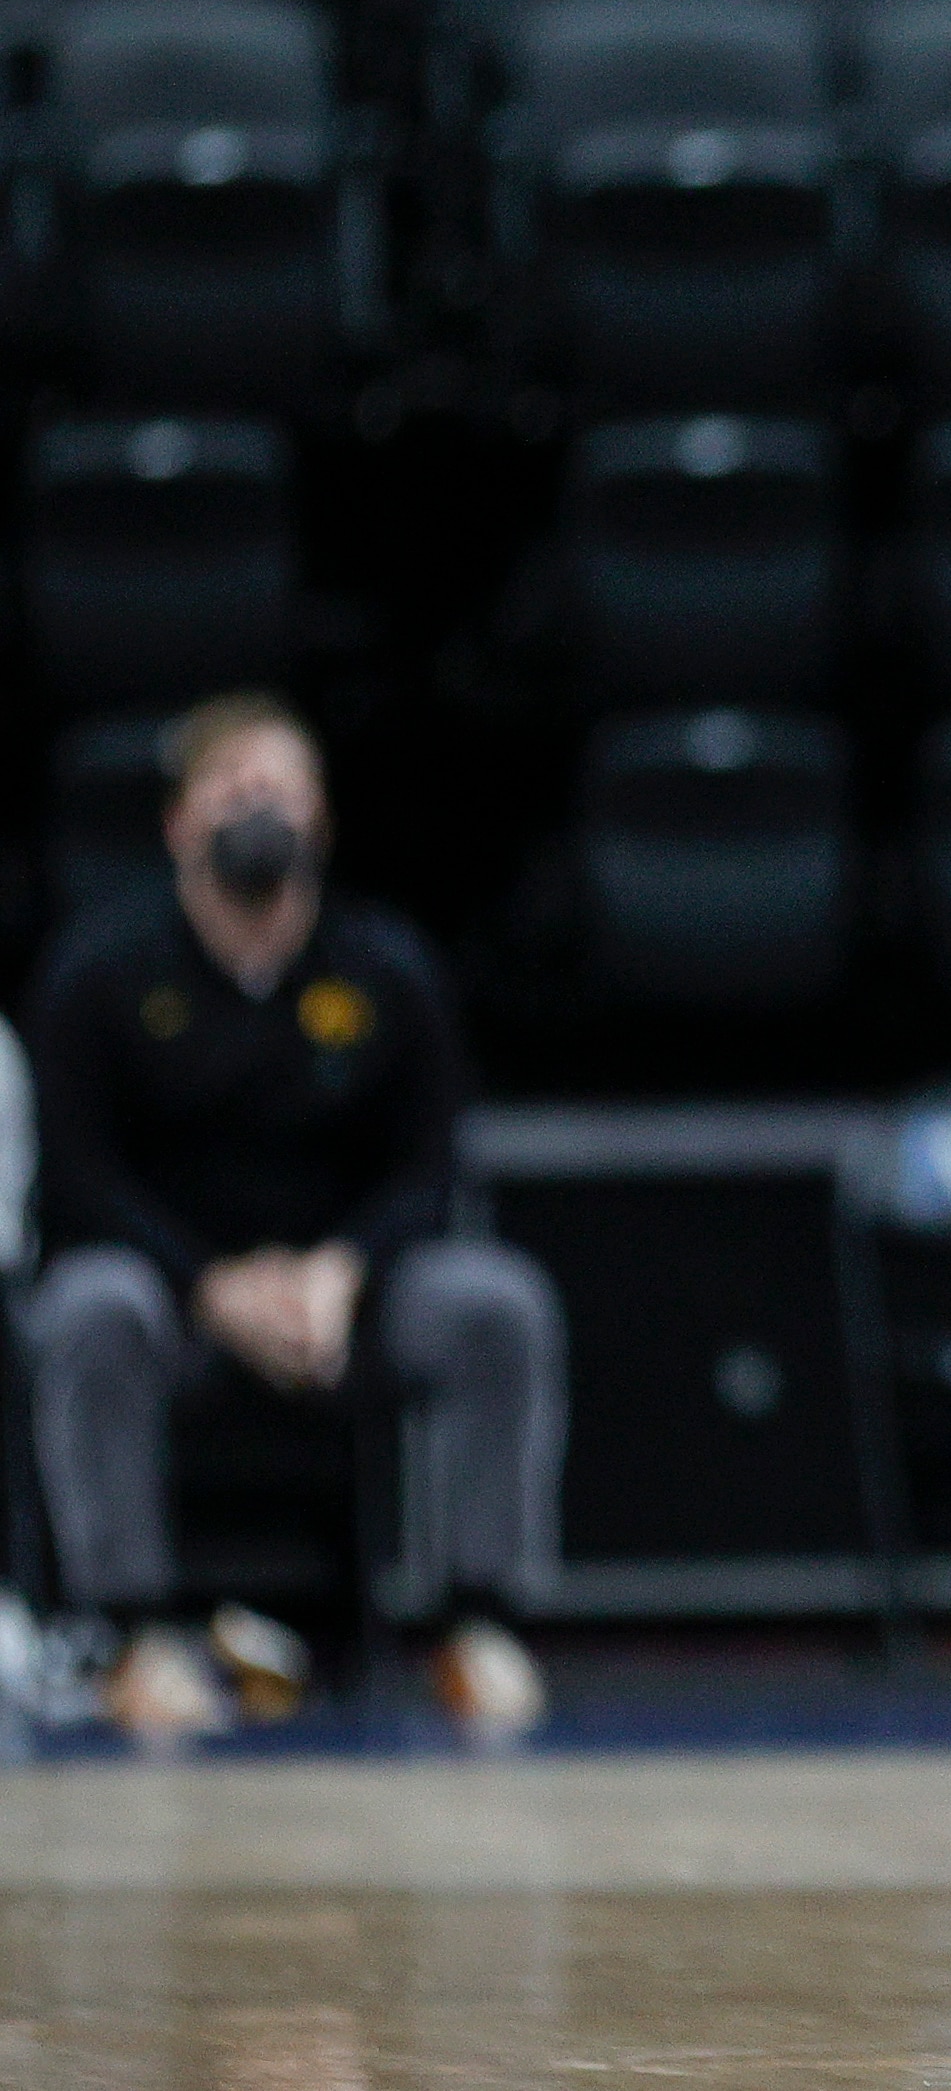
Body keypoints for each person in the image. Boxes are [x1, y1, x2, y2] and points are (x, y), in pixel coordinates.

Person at [17, 697, 565, 1744]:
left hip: (344, 1297)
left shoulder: (388, 969)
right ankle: (131, 1633)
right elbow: (81, 1179)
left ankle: (479, 1620)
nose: (256, 808)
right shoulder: (100, 973)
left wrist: (342, 1269)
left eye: (280, 787)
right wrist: (210, 1287)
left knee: (496, 1303)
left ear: (320, 819)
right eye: (231, 788)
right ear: (179, 821)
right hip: (173, 1298)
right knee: (86, 1308)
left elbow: (429, 1164)